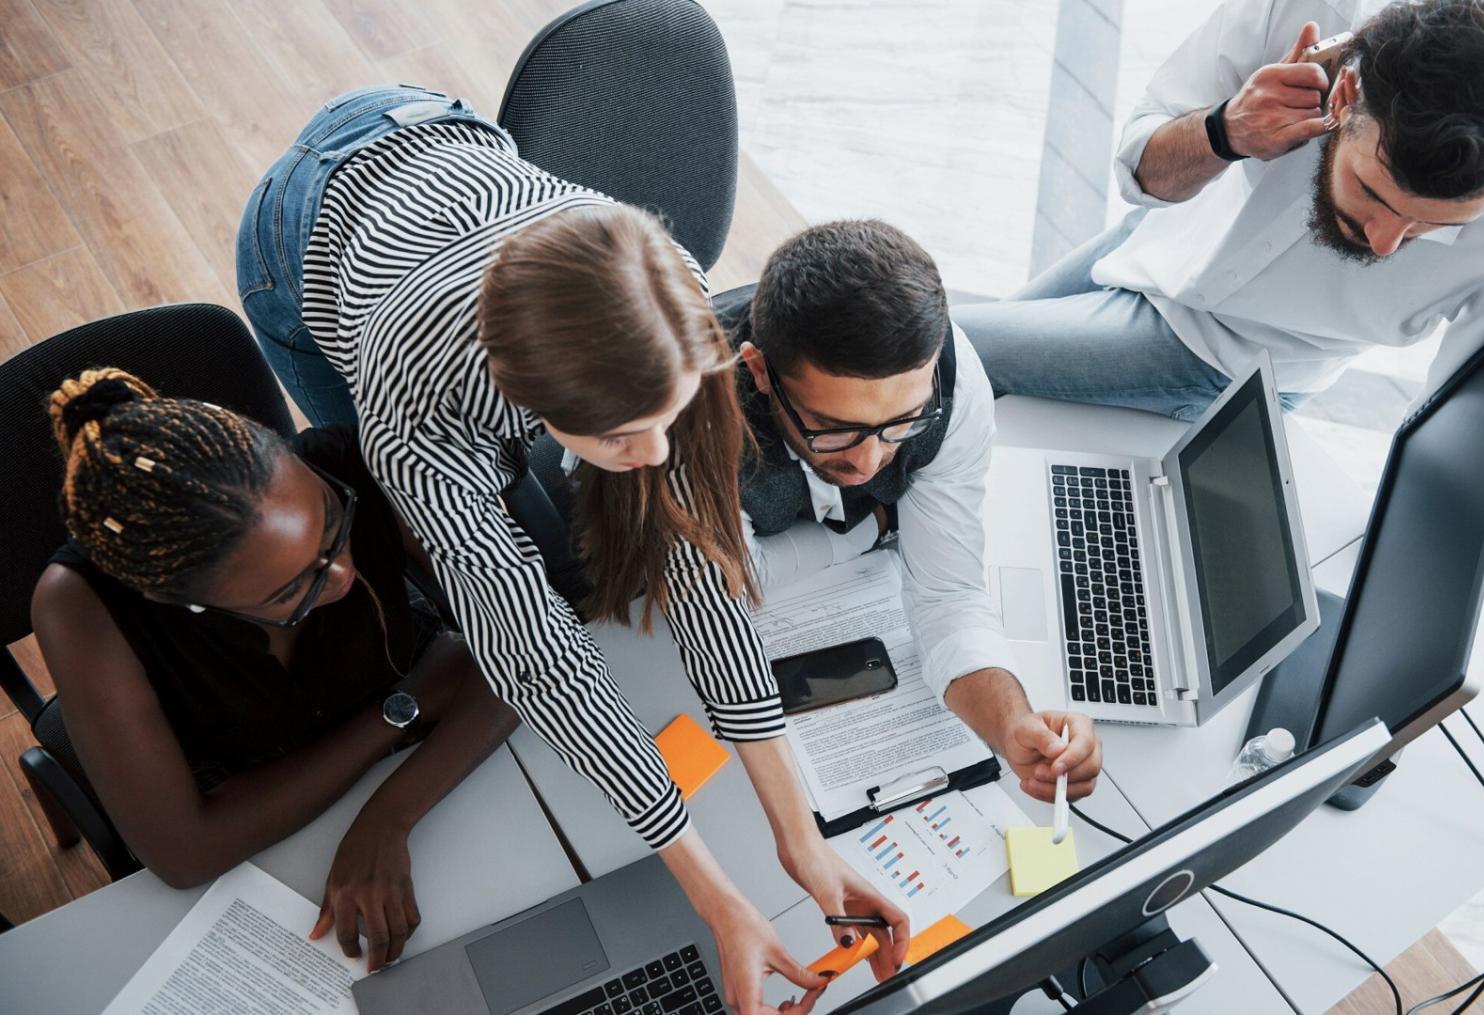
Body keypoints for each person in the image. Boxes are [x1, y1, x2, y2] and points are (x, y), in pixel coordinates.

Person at [236, 85, 905, 1012]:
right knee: (401, 515)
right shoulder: (415, 402)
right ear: (532, 405)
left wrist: (802, 835)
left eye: (670, 417)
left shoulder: (666, 287)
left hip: (445, 132)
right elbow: (541, 660)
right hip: (314, 225)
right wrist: (717, 898)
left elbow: (699, 554)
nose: (660, 456)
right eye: (628, 435)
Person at [30, 369, 519, 973]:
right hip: (267, 855)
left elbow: (532, 656)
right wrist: (403, 708)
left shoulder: (356, 459)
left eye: (333, 524)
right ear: (182, 602)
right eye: (297, 588)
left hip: (445, 791)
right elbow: (185, 853)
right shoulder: (81, 606)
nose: (341, 573)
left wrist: (388, 817)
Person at [955, 0, 1484, 422]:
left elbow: (1459, 415)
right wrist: (1225, 130)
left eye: (1437, 227)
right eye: (1372, 193)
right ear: (1345, 97)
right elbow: (1141, 169)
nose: (1385, 242)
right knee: (925, 368)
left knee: (937, 360)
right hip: (1157, 242)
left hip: (1232, 361)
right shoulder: (1307, 10)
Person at [713, 220, 1104, 805]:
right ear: (761, 370)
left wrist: (1012, 725)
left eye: (902, 423)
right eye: (834, 428)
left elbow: (947, 595)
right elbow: (734, 583)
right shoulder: (693, 424)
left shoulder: (951, 380)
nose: (870, 462)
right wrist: (872, 528)